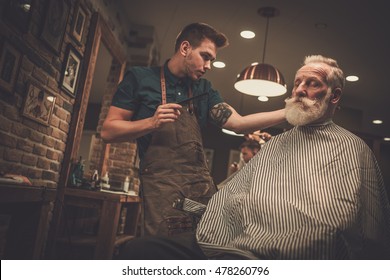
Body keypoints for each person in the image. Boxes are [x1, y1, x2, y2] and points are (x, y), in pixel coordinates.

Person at [118, 55, 390, 259]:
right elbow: (236, 191)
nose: (299, 90)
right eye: (297, 83)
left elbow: (359, 223)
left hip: (293, 256)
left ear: (334, 95)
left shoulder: (352, 148)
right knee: (140, 249)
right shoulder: (277, 143)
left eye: (312, 83)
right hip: (237, 243)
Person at [101, 22, 286, 237]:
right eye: (205, 56)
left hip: (200, 188)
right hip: (162, 189)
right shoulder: (141, 79)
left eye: (212, 60)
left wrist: (289, 113)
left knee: (207, 245)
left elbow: (238, 123)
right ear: (185, 48)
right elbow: (108, 131)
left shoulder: (203, 89)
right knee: (168, 252)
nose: (208, 65)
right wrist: (151, 123)